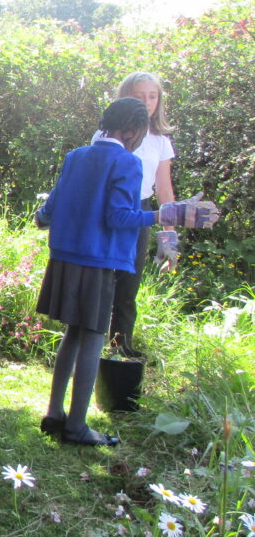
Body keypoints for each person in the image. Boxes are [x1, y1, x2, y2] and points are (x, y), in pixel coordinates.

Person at [36, 98, 218, 446]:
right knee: (92, 338)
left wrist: (43, 216)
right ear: (132, 131)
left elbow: (51, 209)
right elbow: (118, 218)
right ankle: (75, 427)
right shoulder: (127, 162)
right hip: (97, 261)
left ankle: (54, 413)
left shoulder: (76, 156)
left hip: (64, 258)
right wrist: (167, 214)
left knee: (73, 336)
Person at [93, 71, 178, 357]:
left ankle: (119, 350)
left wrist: (169, 241)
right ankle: (89, 346)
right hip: (105, 212)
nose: (147, 102)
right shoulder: (104, 136)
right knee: (101, 282)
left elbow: (165, 191)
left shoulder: (160, 141)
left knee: (129, 286)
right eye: (139, 96)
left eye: (152, 96)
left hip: (140, 213)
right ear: (125, 98)